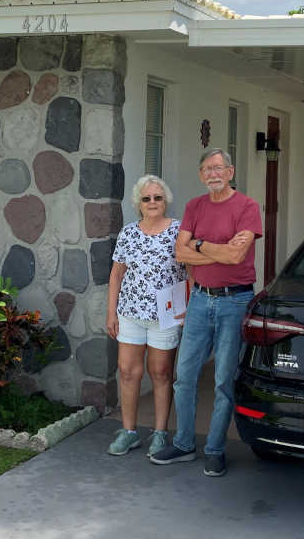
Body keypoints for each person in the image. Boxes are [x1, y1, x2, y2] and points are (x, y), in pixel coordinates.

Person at [149, 148, 261, 477]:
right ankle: (184, 444)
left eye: (218, 168)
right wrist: (214, 249)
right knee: (184, 377)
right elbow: (180, 252)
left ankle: (215, 449)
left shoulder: (247, 207)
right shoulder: (194, 206)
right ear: (201, 175)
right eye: (206, 169)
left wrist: (200, 245)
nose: (212, 174)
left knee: (224, 380)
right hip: (199, 299)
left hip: (234, 301)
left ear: (230, 171)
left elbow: (236, 259)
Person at [105, 174, 185, 457]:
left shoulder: (179, 231)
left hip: (166, 316)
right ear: (138, 203)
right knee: (128, 372)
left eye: (158, 198)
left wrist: (186, 309)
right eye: (146, 198)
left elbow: (192, 272)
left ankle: (160, 433)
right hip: (130, 313)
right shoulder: (128, 233)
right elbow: (116, 275)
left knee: (161, 373)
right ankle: (129, 432)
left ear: (166, 202)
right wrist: (111, 313)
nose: (152, 202)